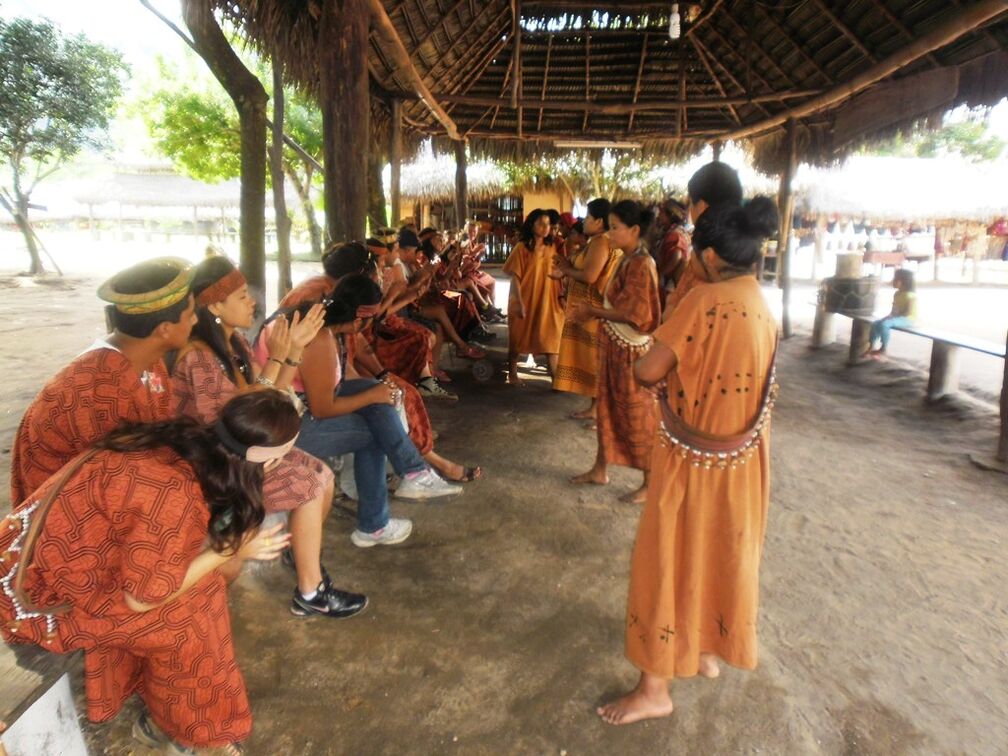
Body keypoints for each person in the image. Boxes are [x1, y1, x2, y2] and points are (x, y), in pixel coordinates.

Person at [0, 391, 303, 753]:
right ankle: (196, 733)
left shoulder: (180, 443)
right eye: (283, 458)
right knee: (192, 616)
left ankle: (178, 717)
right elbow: (143, 599)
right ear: (262, 462)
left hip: (37, 562)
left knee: (202, 586)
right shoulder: (173, 491)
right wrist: (230, 549)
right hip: (36, 597)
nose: (283, 466)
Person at [597, 197, 781, 726]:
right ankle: (703, 649)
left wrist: (681, 308)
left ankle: (655, 687)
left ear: (711, 258)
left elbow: (647, 372)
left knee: (668, 559)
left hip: (695, 458)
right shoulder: (761, 303)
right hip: (742, 462)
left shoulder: (708, 302)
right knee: (719, 550)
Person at [171, 255, 368, 619]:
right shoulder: (198, 359)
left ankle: (303, 558)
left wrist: (290, 354)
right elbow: (240, 427)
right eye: (243, 296)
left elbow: (269, 399)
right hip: (214, 465)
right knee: (311, 481)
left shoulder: (234, 345)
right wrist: (283, 356)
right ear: (214, 305)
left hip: (244, 452)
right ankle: (311, 592)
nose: (253, 303)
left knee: (320, 474)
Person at [262, 275, 463, 548]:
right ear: (359, 318)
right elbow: (322, 408)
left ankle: (413, 475)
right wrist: (373, 394)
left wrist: (376, 391)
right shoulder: (319, 336)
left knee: (376, 398)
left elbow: (336, 385)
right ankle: (376, 522)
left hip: (294, 403)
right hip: (283, 424)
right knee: (374, 428)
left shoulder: (326, 323)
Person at [9, 257, 196, 505]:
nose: (195, 321)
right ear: (164, 329)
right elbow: (117, 488)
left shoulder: (149, 361)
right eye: (191, 314)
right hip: (68, 514)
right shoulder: (93, 393)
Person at [569, 201, 661, 503]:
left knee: (638, 414)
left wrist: (593, 311)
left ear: (634, 230)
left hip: (630, 352)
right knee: (607, 408)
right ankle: (600, 468)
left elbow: (636, 314)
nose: (609, 233)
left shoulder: (642, 264)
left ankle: (650, 481)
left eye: (614, 227)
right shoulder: (627, 257)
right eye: (608, 226)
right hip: (615, 347)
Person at [552, 198, 623, 420]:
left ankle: (601, 412)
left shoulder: (601, 242)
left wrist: (566, 268)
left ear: (599, 221)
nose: (584, 221)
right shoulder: (598, 241)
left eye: (589, 217)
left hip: (592, 310)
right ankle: (595, 409)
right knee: (594, 361)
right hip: (589, 309)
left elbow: (590, 276)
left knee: (595, 361)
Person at [663, 162, 744, 319]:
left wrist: (670, 303)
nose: (690, 211)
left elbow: (677, 318)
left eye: (691, 204)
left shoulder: (705, 256)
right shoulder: (742, 253)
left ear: (701, 206)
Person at [503, 209, 566, 384]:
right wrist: (519, 302)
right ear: (531, 225)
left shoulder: (553, 247)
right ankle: (513, 373)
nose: (545, 227)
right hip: (524, 298)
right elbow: (515, 276)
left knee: (550, 336)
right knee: (517, 337)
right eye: (540, 223)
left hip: (548, 299)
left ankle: (556, 380)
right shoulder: (522, 248)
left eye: (547, 224)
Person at [865, 268, 918, 359]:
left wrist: (893, 318)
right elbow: (894, 309)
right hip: (898, 317)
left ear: (903, 282)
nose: (892, 281)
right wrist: (890, 316)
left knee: (885, 324)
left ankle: (883, 348)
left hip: (909, 319)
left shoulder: (911, 296)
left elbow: (909, 313)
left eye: (895, 279)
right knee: (876, 324)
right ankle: (871, 346)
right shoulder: (897, 294)